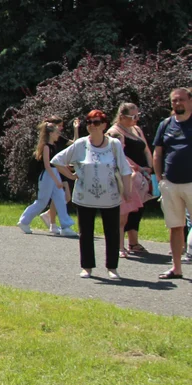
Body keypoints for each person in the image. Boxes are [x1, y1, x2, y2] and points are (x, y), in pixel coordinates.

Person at [52, 110, 133, 280]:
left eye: (96, 122)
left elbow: (125, 169)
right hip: (85, 196)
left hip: (110, 196)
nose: (92, 126)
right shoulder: (81, 144)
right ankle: (87, 267)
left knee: (112, 232)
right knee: (86, 232)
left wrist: (127, 190)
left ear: (104, 125)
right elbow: (58, 160)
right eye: (89, 122)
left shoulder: (113, 144)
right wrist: (71, 176)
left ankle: (112, 268)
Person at [153, 88, 192, 280]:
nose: (177, 104)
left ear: (190, 101)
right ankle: (176, 268)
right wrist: (160, 179)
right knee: (175, 227)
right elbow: (158, 153)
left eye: (181, 100)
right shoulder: (166, 124)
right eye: (174, 101)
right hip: (170, 184)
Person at [107, 103, 152, 256]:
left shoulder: (137, 129)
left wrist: (150, 167)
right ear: (122, 116)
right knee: (124, 212)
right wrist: (138, 168)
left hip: (143, 176)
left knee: (138, 209)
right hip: (128, 176)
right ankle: (120, 245)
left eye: (138, 115)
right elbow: (117, 155)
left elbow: (146, 150)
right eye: (133, 116)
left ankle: (133, 241)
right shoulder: (114, 133)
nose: (137, 119)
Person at [17, 121, 77, 236]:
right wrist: (56, 180)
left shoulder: (53, 146)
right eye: (56, 132)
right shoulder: (46, 147)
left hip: (54, 174)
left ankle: (66, 226)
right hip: (48, 176)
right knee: (42, 201)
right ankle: (24, 221)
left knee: (60, 199)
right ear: (50, 134)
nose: (58, 134)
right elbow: (47, 166)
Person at [44, 115, 75, 232]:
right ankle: (54, 223)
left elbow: (74, 144)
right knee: (60, 197)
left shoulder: (58, 138)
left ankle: (50, 217)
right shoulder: (49, 143)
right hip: (57, 170)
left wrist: (76, 129)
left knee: (64, 197)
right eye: (60, 125)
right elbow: (49, 163)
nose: (61, 128)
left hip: (60, 169)